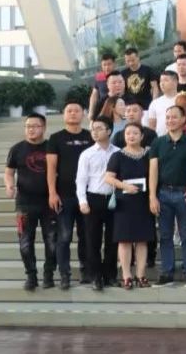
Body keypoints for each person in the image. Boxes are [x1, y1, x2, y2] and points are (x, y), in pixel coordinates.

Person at [148, 105, 186, 286]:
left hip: (183, 194)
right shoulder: (158, 142)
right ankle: (167, 272)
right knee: (165, 235)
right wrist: (152, 196)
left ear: (183, 119)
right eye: (168, 117)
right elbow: (153, 170)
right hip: (163, 193)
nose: (170, 120)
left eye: (174, 117)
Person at [45, 101, 94, 289]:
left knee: (86, 236)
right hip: (64, 196)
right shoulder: (56, 138)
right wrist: (52, 192)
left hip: (87, 196)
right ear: (64, 114)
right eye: (69, 111)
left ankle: (86, 271)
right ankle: (64, 274)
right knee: (64, 237)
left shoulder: (90, 137)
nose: (73, 113)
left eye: (77, 111)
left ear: (83, 114)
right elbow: (51, 168)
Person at [5, 113, 57, 291]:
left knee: (52, 241)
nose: (31, 129)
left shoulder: (51, 147)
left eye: (35, 126)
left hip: (50, 202)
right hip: (25, 203)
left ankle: (49, 275)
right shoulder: (17, 149)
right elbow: (9, 172)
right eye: (28, 126)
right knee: (25, 243)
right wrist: (9, 185)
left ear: (44, 127)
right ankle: (31, 276)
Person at [104, 123, 156, 289]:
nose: (131, 136)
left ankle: (141, 275)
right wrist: (124, 186)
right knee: (124, 240)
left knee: (142, 240)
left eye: (135, 133)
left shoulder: (149, 154)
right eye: (128, 133)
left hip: (143, 201)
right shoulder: (117, 156)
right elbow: (108, 178)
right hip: (124, 202)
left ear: (142, 136)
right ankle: (126, 275)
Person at [75, 116, 120, 291]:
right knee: (92, 239)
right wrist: (82, 201)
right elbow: (81, 180)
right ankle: (95, 276)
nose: (95, 132)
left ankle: (110, 275)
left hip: (113, 199)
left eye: (99, 128)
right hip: (93, 199)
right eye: (93, 129)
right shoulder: (87, 154)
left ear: (109, 131)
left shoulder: (118, 152)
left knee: (112, 239)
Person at [147, 71, 180, 136]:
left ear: (175, 82)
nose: (162, 83)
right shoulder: (155, 103)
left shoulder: (185, 100)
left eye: (166, 80)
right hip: (161, 139)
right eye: (161, 81)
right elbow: (152, 126)